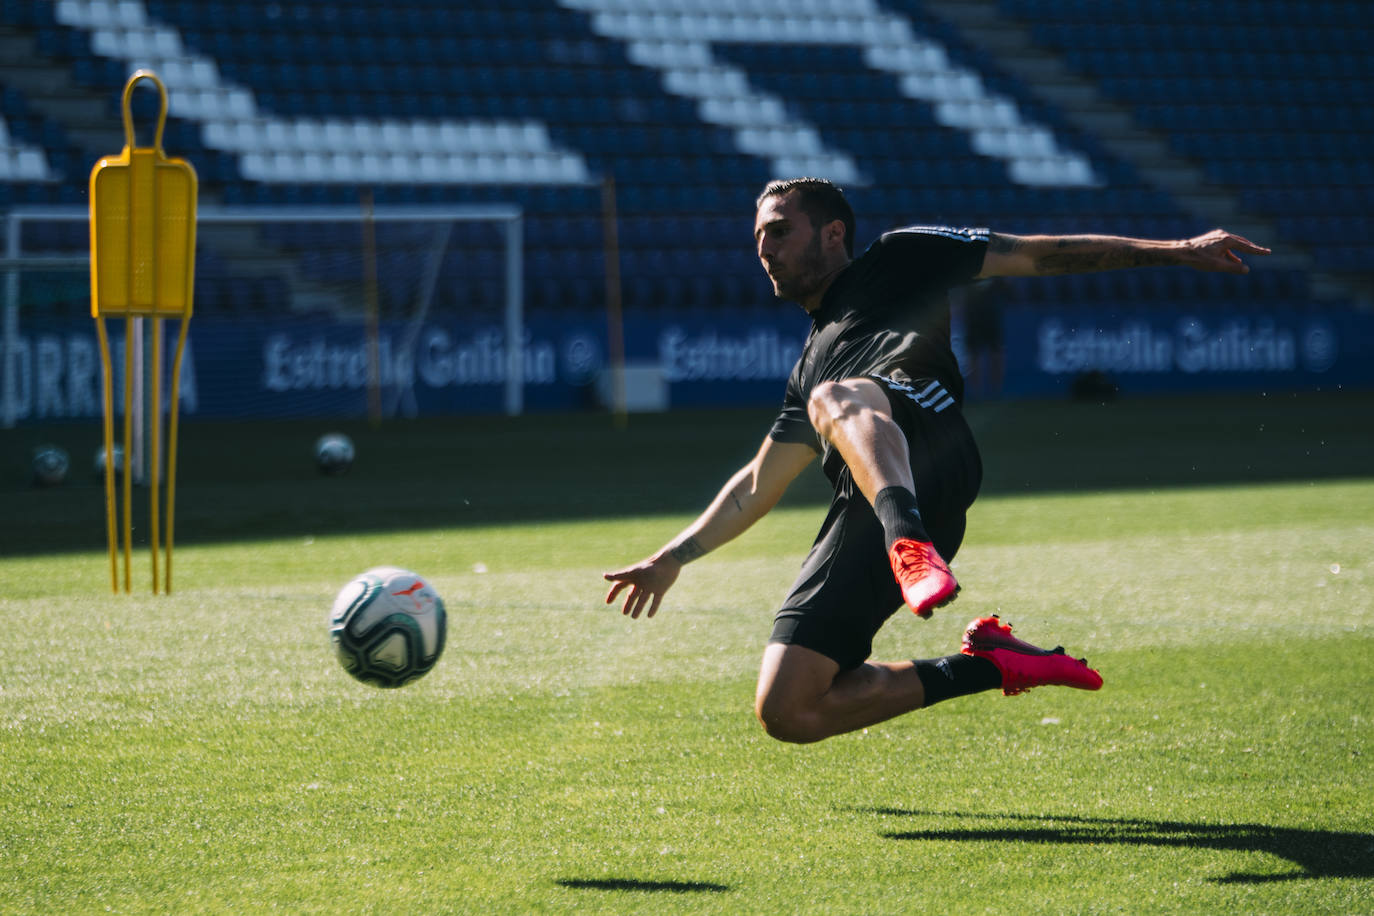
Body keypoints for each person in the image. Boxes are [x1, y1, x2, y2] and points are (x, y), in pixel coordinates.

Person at [603, 177, 1270, 744]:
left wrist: (1180, 251)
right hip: (865, 508)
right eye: (758, 240)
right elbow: (756, 484)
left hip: (932, 450)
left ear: (834, 233)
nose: (765, 250)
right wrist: (672, 559)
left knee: (843, 396)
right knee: (789, 709)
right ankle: (993, 663)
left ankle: (909, 542)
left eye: (779, 231)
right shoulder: (808, 366)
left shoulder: (899, 258)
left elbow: (1039, 255)